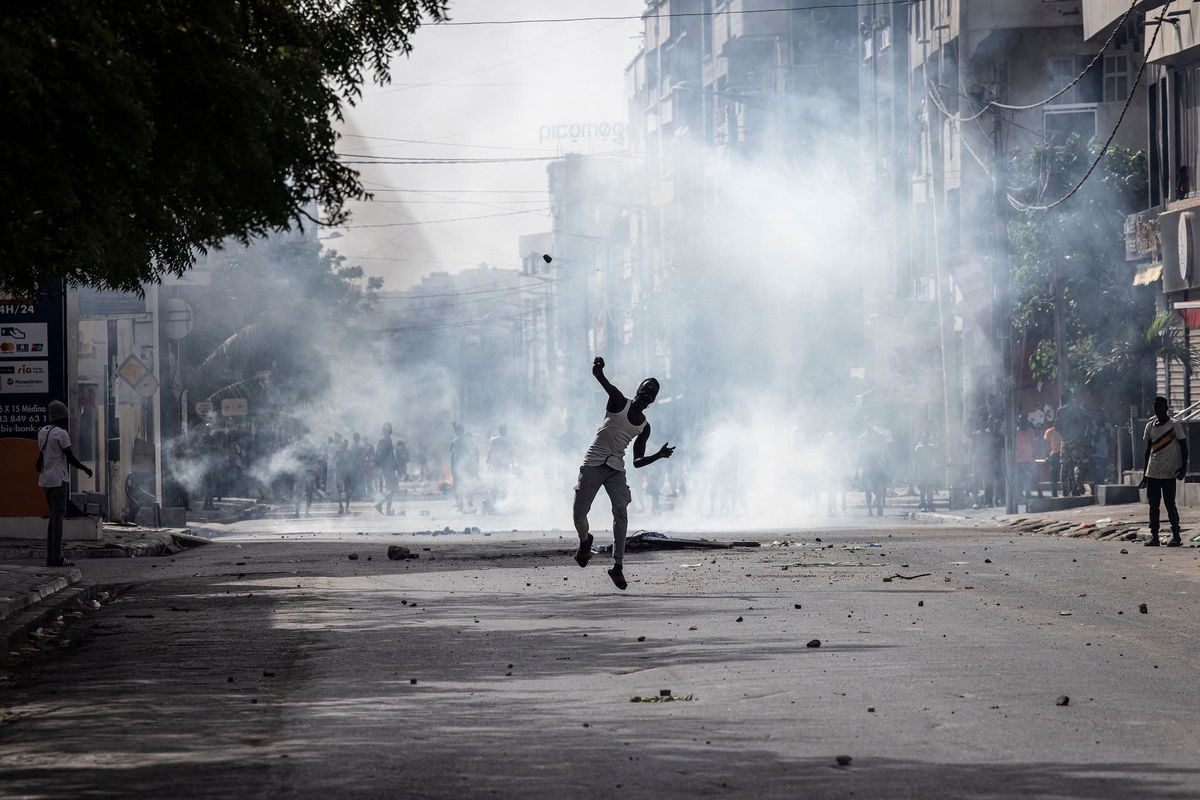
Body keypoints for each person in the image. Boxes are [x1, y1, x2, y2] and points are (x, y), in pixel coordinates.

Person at [573, 357, 675, 590]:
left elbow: (637, 462)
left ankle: (617, 567)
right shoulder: (619, 400)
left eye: (653, 393)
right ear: (638, 389)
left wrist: (658, 455)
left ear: (654, 400)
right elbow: (600, 378)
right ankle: (585, 541)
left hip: (616, 470)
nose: (648, 393)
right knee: (579, 513)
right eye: (646, 388)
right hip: (593, 463)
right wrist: (598, 368)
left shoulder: (644, 427)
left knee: (621, 512)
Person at [36, 400, 93, 568]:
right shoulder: (61, 434)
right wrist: (85, 469)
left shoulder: (42, 432)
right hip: (59, 480)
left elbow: (42, 456)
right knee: (58, 520)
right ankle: (57, 557)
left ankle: (50, 556)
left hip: (46, 481)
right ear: (62, 417)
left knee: (53, 519)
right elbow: (70, 458)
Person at [1141, 396, 1188, 547]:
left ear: (1166, 408)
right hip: (1153, 472)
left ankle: (1176, 536)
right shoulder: (1150, 426)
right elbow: (1148, 451)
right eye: (1156, 408)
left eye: (1161, 407)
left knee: (1169, 504)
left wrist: (1183, 468)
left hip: (1169, 472)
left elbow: (1184, 447)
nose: (1158, 410)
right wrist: (1144, 476)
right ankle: (1154, 536)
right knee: (1153, 505)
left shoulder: (1175, 425)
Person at [1056, 392, 1088, 497]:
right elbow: (1085, 425)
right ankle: (1078, 481)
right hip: (1077, 440)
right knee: (1077, 464)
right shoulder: (1079, 410)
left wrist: (1064, 434)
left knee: (1064, 466)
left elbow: (1057, 427)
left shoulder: (1060, 411)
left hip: (1065, 441)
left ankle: (1065, 491)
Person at [375, 424, 400, 516]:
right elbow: (388, 456)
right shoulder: (386, 442)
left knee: (391, 489)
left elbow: (382, 455)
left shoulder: (383, 442)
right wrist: (396, 465)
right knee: (393, 489)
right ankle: (380, 504)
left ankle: (388, 510)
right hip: (388, 468)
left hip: (387, 468)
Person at [913, 432, 938, 512]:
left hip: (929, 470)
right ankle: (923, 505)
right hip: (922, 470)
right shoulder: (919, 448)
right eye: (924, 438)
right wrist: (915, 471)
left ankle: (930, 505)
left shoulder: (932, 447)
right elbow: (916, 461)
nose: (925, 439)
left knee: (930, 488)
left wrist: (934, 468)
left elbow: (934, 459)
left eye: (926, 437)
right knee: (923, 489)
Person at [1043, 423, 1062, 497]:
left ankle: (1066, 492)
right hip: (1054, 454)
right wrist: (1046, 456)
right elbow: (1045, 444)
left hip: (1064, 454)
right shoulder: (1049, 431)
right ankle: (1054, 493)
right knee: (1054, 475)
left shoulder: (1064, 430)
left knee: (1066, 474)